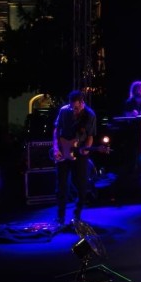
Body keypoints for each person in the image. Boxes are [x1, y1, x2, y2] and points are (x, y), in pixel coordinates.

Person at [52, 90, 97, 226]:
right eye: (72, 107)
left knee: (82, 185)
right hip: (63, 150)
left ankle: (77, 215)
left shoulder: (89, 115)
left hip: (79, 151)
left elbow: (90, 136)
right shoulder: (64, 111)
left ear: (82, 103)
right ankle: (60, 217)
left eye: (76, 108)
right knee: (61, 186)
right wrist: (56, 147)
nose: (73, 110)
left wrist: (86, 149)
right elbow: (56, 130)